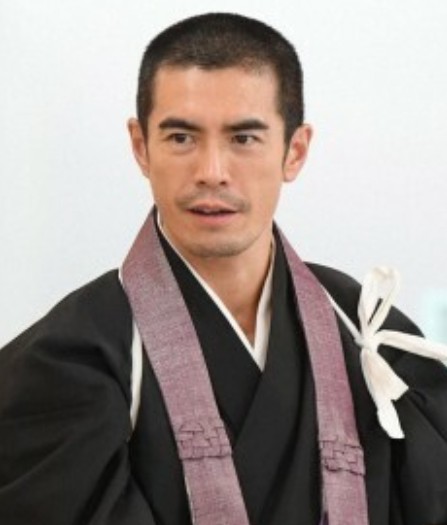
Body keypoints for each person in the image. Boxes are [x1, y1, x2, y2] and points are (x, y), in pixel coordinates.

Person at [0, 12, 446, 525]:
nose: (211, 172)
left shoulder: (369, 335)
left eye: (243, 139)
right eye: (181, 138)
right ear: (141, 147)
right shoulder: (70, 364)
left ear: (295, 151)